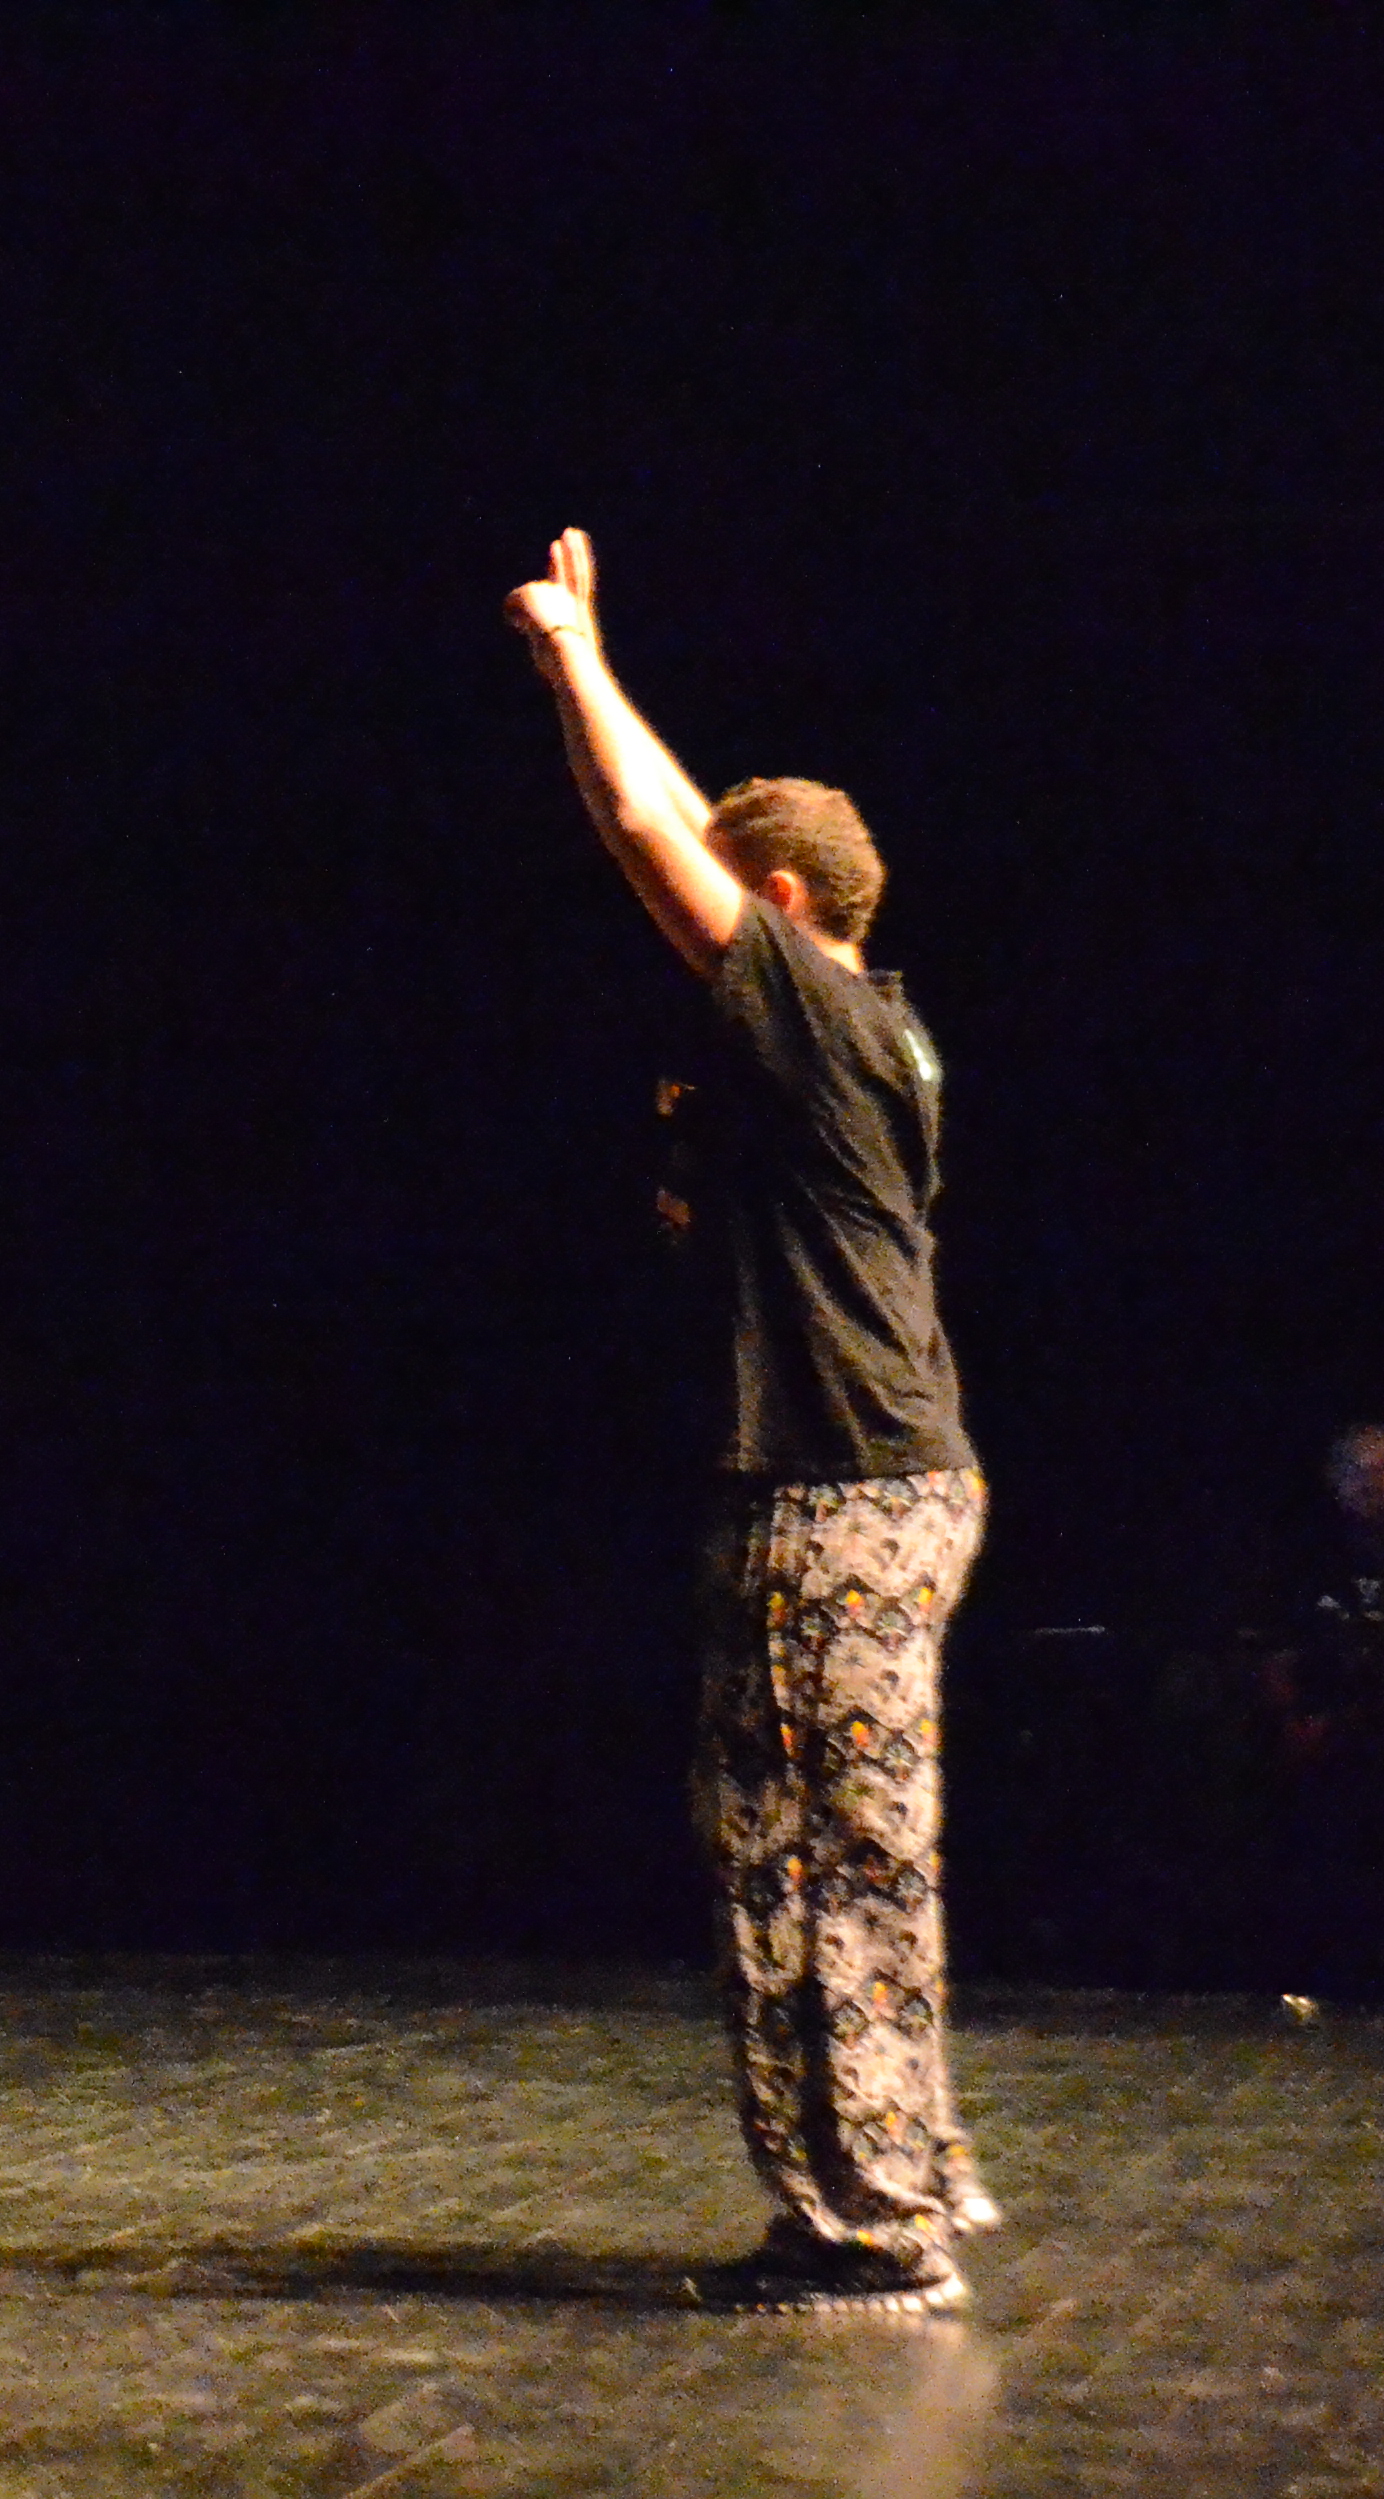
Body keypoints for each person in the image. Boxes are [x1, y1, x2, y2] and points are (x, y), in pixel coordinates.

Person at [508, 524, 991, 2317]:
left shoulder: (810, 1014)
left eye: (724, 916)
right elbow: (701, 832)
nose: (683, 950)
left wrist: (567, 659)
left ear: (773, 917)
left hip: (832, 1485)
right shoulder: (863, 1015)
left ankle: (874, 2221)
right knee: (822, 1843)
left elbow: (655, 838)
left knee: (815, 1855)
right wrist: (615, 666)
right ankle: (878, 2187)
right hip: (872, 1474)